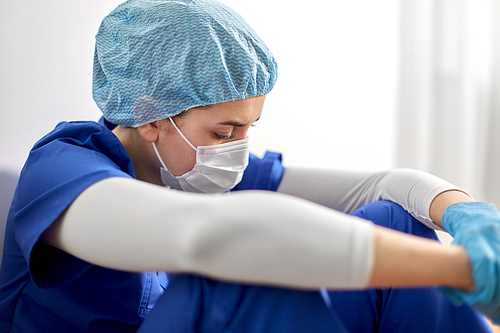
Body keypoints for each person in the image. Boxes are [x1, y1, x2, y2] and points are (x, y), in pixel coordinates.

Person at [1, 0, 500, 332]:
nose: (237, 149)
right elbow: (207, 238)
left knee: (395, 220)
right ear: (151, 114)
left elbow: (381, 188)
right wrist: (459, 268)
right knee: (232, 284)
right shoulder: (62, 171)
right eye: (224, 132)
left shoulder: (189, 170)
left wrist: (468, 215)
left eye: (248, 128)